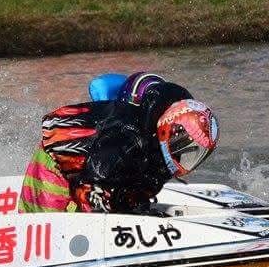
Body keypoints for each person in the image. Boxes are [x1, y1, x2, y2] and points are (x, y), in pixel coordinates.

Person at [18, 72, 219, 214]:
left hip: (92, 165)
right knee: (59, 226)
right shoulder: (126, 142)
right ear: (166, 129)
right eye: (180, 144)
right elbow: (90, 191)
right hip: (56, 163)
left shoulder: (153, 143)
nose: (184, 156)